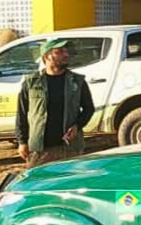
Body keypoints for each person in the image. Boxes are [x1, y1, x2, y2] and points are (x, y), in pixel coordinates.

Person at [16, 39, 96, 167]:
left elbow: (89, 108)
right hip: (40, 148)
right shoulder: (31, 83)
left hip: (70, 148)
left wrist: (77, 126)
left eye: (66, 51)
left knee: (70, 184)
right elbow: (22, 114)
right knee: (39, 184)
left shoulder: (76, 81)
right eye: (59, 52)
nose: (65, 55)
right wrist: (22, 142)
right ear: (46, 57)